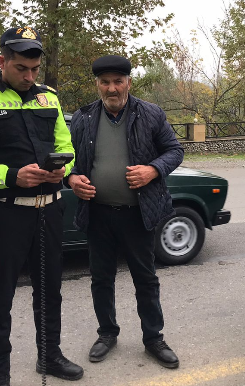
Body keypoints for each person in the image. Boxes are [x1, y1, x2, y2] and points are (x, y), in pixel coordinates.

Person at [0, 27, 82, 386]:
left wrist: (62, 169)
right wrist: (12, 176)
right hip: (5, 211)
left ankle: (49, 357)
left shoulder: (49, 99)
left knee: (50, 289)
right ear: (2, 61)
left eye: (35, 69)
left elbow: (66, 144)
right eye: (21, 68)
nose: (30, 76)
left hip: (49, 209)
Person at [68, 55, 184, 368]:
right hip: (99, 214)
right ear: (97, 85)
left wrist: (152, 170)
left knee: (145, 280)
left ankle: (154, 338)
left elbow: (175, 151)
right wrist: (72, 178)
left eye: (118, 81)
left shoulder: (151, 114)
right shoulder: (83, 118)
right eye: (105, 82)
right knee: (101, 279)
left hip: (138, 214)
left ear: (128, 82)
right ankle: (107, 333)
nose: (112, 88)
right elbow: (73, 162)